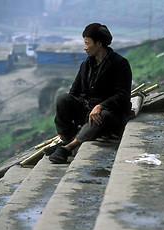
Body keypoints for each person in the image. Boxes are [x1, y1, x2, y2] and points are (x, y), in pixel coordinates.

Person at [49, 23, 132, 164]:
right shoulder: (86, 65)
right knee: (63, 99)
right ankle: (66, 137)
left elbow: (122, 95)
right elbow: (74, 93)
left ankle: (68, 147)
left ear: (99, 44)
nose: (85, 48)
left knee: (101, 115)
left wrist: (101, 105)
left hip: (110, 115)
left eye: (87, 44)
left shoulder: (120, 64)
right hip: (87, 112)